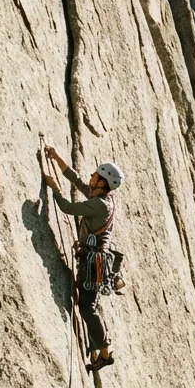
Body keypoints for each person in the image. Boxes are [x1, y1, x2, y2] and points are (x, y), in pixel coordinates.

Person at [43, 146, 125, 373]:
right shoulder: (100, 196)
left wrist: (54, 188)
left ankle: (105, 351)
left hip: (94, 262)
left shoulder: (100, 204)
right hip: (94, 259)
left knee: (88, 307)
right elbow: (78, 181)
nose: (91, 177)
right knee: (90, 303)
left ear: (103, 183)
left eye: (95, 176)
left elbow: (68, 207)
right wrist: (57, 158)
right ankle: (99, 351)